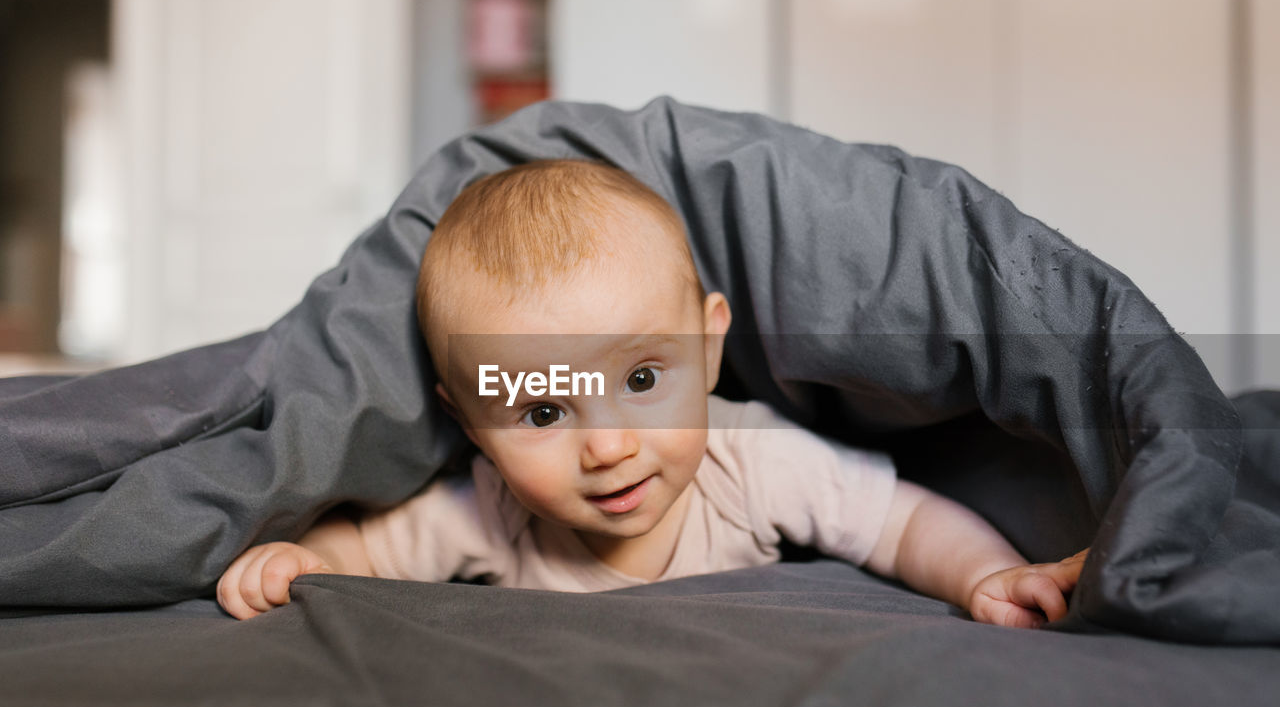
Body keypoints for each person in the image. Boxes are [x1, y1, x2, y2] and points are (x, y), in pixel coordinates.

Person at [217, 159, 1087, 626]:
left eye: (640, 380)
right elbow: (367, 548)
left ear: (710, 346)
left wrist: (988, 575)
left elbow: (900, 519)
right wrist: (304, 559)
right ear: (471, 420)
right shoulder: (492, 509)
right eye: (544, 411)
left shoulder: (749, 463)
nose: (607, 447)